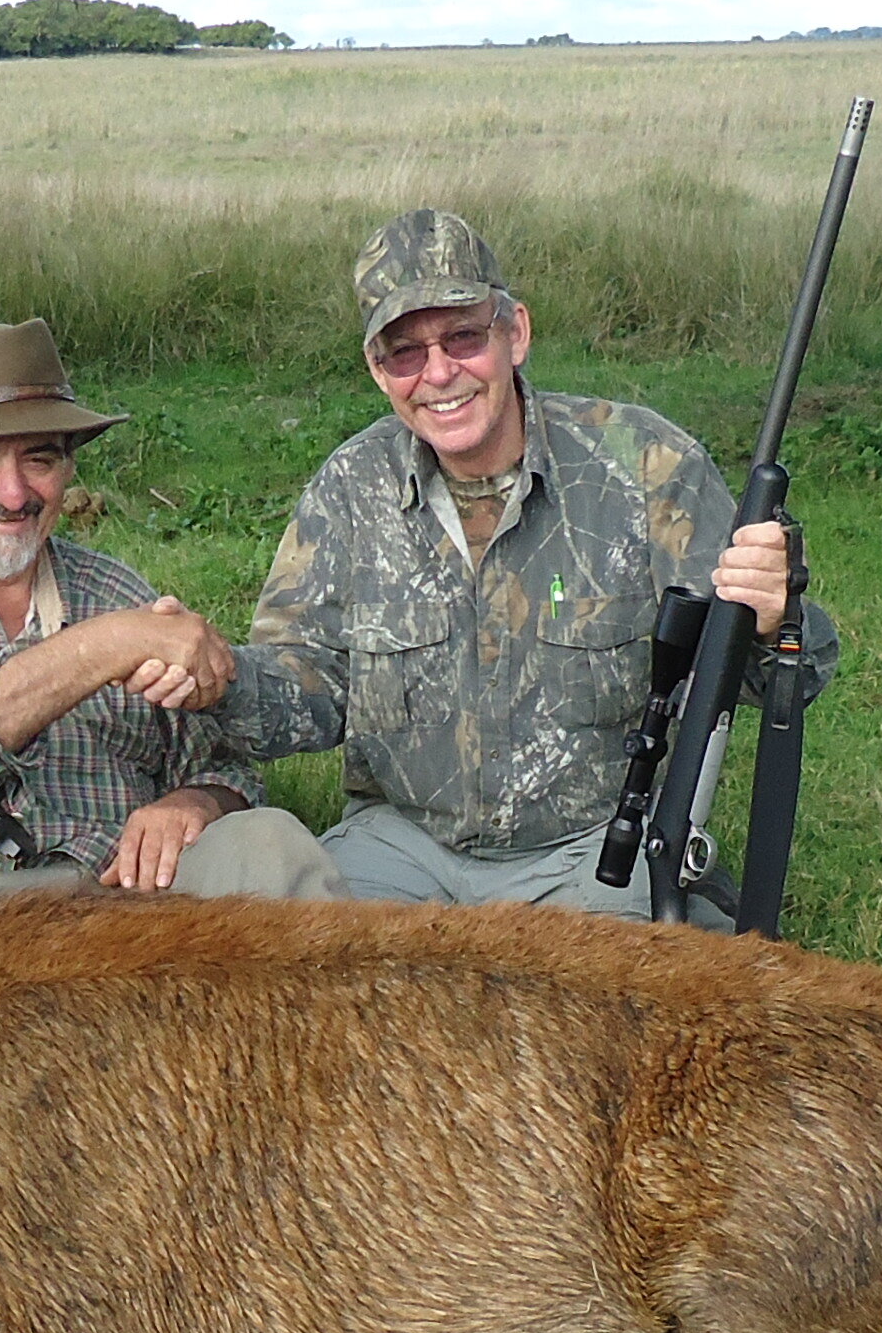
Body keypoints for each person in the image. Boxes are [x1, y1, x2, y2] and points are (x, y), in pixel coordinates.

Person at [198, 208, 836, 913]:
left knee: (635, 997)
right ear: (378, 371)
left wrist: (776, 617)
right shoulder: (351, 486)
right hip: (399, 848)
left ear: (516, 333)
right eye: (405, 352)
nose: (439, 374)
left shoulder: (647, 465)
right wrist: (212, 676)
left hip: (592, 853)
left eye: (464, 338)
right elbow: (305, 691)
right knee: (290, 974)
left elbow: (779, 677)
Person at [0, 318, 343, 955]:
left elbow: (221, 764)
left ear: (66, 468)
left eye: (40, 458)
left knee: (269, 844)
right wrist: (104, 646)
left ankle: (342, 1043)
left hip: (116, 893)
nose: (12, 492)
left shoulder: (113, 589)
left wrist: (195, 803)